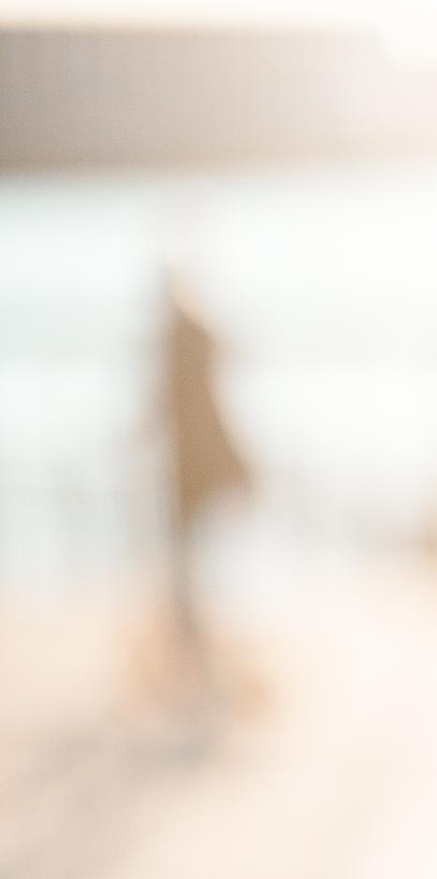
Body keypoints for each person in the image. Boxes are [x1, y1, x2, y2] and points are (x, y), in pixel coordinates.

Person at [155, 272, 253, 703]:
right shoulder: (197, 338)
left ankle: (197, 658)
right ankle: (198, 658)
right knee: (194, 569)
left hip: (192, 474)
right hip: (199, 471)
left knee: (189, 571)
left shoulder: (182, 341)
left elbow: (165, 406)